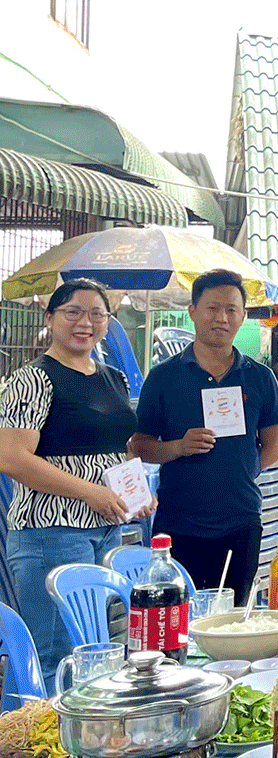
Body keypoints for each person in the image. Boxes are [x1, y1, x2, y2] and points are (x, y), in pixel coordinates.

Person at [0, 279, 153, 690]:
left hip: (106, 528)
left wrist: (135, 491)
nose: (85, 322)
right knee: (55, 658)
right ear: (50, 318)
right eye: (73, 312)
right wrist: (91, 492)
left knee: (90, 651)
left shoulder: (114, 378)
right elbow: (11, 457)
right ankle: (36, 731)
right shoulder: (33, 379)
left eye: (97, 314)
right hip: (51, 531)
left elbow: (117, 446)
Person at [133, 269, 278, 600]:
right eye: (212, 308)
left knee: (232, 616)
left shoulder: (259, 377)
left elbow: (275, 445)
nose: (222, 318)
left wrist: (241, 471)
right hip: (178, 523)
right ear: (193, 311)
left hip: (241, 520)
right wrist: (179, 447)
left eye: (231, 310)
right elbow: (140, 446)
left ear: (243, 316)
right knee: (179, 616)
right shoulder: (163, 377)